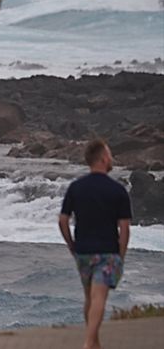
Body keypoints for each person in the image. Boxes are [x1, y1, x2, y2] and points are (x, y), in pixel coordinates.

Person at [58, 138, 132, 349]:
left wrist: (71, 244)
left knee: (89, 299)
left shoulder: (76, 187)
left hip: (83, 251)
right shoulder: (117, 190)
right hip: (107, 252)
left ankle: (95, 344)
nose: (111, 158)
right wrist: (121, 255)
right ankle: (89, 343)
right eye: (109, 154)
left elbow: (62, 220)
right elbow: (125, 228)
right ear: (102, 159)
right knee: (99, 297)